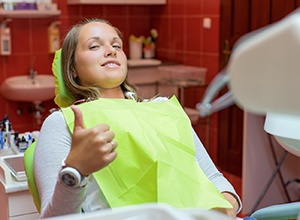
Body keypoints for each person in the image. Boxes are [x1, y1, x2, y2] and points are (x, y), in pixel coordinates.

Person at [34, 18, 242, 219]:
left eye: (116, 45)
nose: (111, 50)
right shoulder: (63, 123)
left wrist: (227, 209)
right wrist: (75, 171)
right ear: (72, 69)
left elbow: (214, 178)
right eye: (94, 46)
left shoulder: (163, 109)